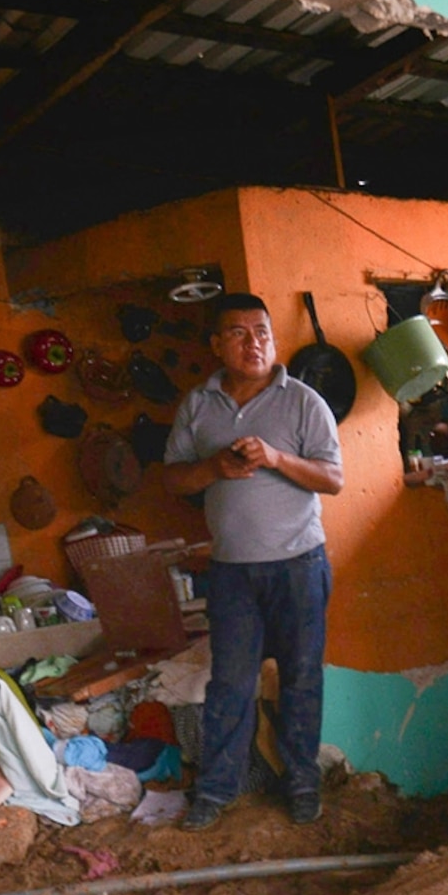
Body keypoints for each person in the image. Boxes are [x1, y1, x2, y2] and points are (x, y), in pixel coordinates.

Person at [152, 292, 344, 830]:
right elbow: (172, 479)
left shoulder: (304, 401)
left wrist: (277, 458)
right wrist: (214, 467)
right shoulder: (199, 405)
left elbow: (333, 479)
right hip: (232, 570)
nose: (254, 342)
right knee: (231, 683)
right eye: (238, 333)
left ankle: (303, 785)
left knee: (301, 677)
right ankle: (216, 792)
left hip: (299, 565)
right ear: (217, 345)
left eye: (262, 331)